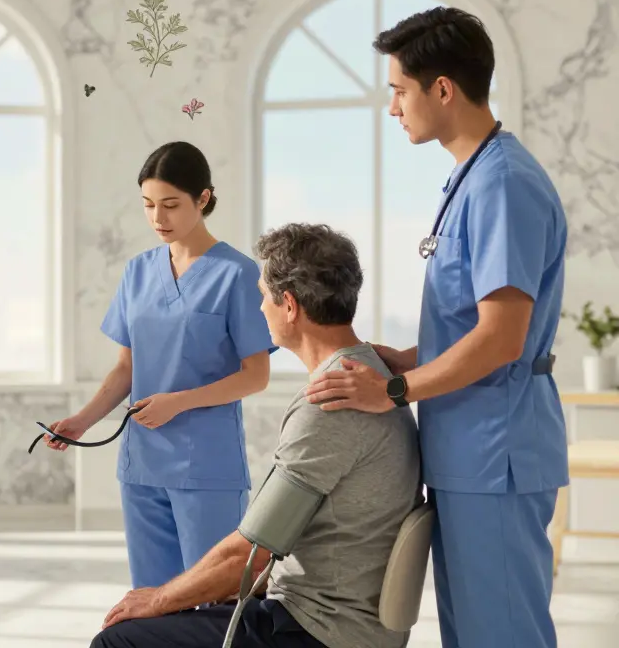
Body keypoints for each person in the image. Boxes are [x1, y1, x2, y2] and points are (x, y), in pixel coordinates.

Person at [304, 7, 568, 648]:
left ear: (442, 88)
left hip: (495, 452)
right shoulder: (471, 179)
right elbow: (478, 322)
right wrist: (411, 357)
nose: (392, 108)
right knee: (473, 631)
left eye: (399, 90)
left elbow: (505, 337)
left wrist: (393, 392)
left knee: (499, 632)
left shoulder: (503, 184)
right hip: (468, 449)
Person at [90, 222, 423, 648]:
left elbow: (250, 552)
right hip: (336, 617)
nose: (259, 307)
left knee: (120, 640)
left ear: (289, 306)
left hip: (316, 630)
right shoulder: (367, 375)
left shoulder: (331, 401)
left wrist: (158, 599)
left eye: (263, 295)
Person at [43, 141, 275, 589]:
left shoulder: (238, 274)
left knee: (213, 599)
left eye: (170, 205)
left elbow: (256, 375)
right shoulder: (137, 272)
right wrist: (82, 421)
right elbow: (125, 368)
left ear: (203, 199)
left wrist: (179, 403)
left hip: (206, 466)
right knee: (150, 599)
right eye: (148, 205)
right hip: (142, 465)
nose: (158, 218)